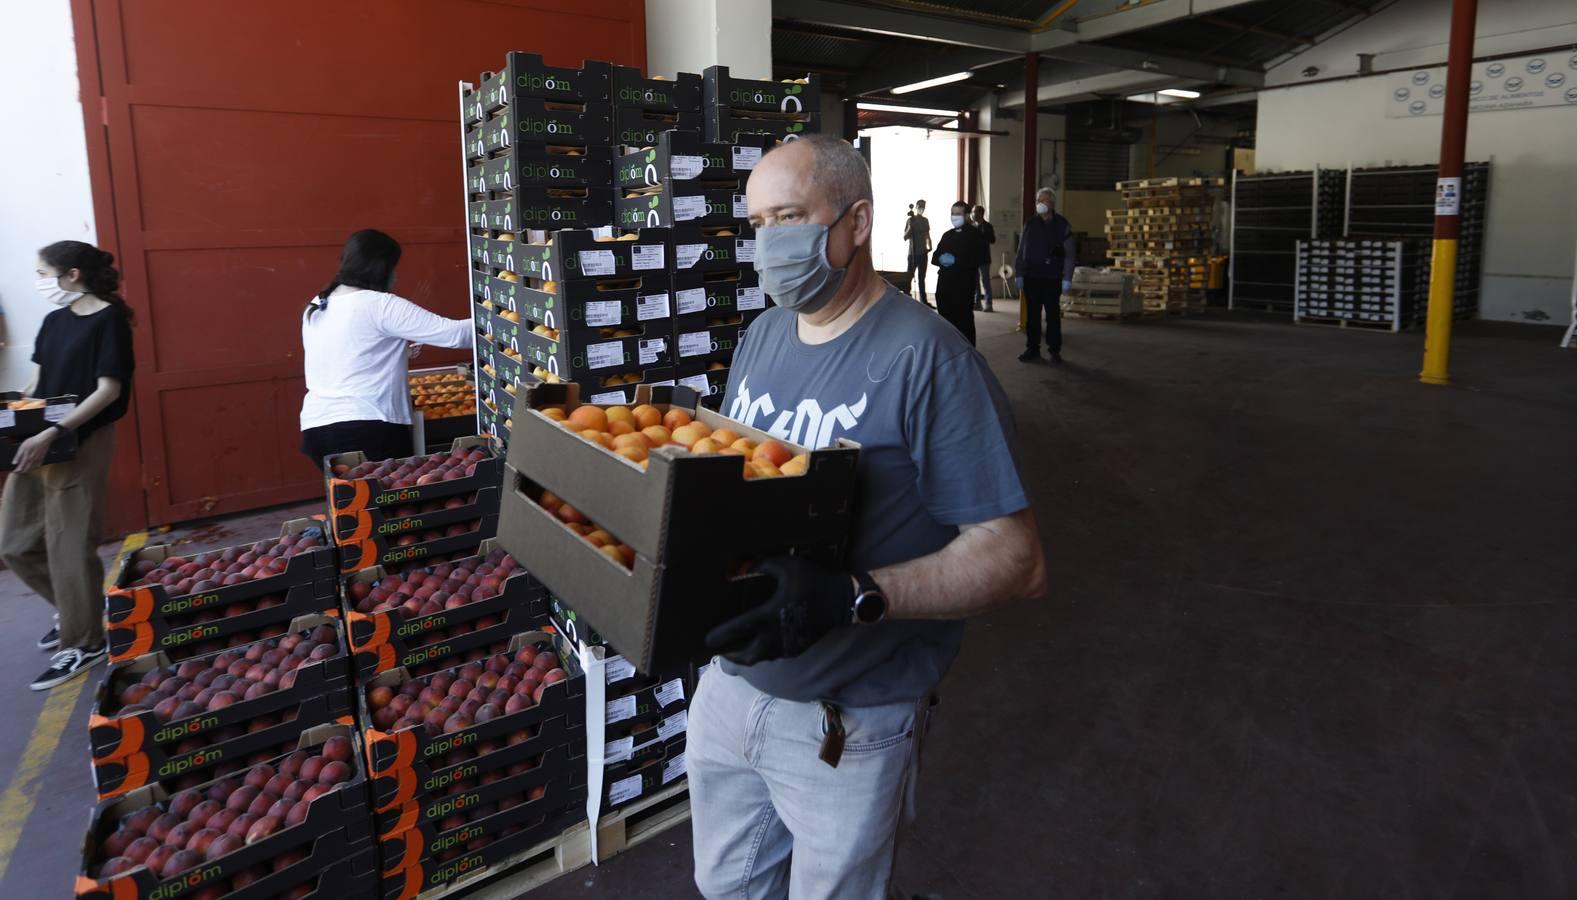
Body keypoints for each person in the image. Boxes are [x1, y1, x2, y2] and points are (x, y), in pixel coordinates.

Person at [695, 134, 1047, 899]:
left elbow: (1015, 558)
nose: (767, 243)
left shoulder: (931, 360)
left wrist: (848, 594)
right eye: (755, 224)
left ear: (857, 222)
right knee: (725, 887)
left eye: (787, 216)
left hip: (843, 724)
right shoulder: (760, 337)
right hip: (728, 689)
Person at [1, 241, 135, 690]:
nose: (39, 282)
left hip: (78, 441)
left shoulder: (109, 320)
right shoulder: (54, 321)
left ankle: (84, 639)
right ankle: (78, 613)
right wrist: (14, 417)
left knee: (68, 544)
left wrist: (56, 432)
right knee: (15, 541)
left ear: (72, 275)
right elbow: (36, 381)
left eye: (43, 273)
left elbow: (108, 390)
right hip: (35, 440)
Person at [300, 230, 473, 466]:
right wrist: (507, 319)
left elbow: (347, 353)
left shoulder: (318, 304)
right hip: (366, 427)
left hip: (317, 428)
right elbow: (456, 335)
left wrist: (397, 352)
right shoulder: (380, 305)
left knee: (351, 500)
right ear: (381, 268)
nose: (396, 276)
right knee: (389, 501)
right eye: (394, 267)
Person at [1015, 188, 1076, 363]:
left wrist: (1067, 278)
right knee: (1032, 316)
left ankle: (1054, 350)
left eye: (1045, 200)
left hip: (1052, 278)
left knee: (1052, 316)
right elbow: (1021, 249)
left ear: (1052, 204)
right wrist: (1019, 272)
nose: (1041, 204)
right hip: (1031, 277)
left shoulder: (1062, 224)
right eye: (1038, 200)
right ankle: (1032, 348)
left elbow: (1070, 254)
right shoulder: (1030, 223)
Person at [931, 201, 992, 346]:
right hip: (944, 287)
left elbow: (981, 258)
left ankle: (968, 353)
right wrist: (941, 259)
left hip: (963, 288)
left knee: (964, 324)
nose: (954, 217)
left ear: (966, 216)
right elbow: (934, 257)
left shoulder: (976, 235)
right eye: (952, 213)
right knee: (945, 324)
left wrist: (956, 261)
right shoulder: (947, 235)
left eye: (957, 214)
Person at [901, 199, 932, 306]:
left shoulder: (925, 220)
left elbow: (927, 235)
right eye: (920, 206)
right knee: (908, 278)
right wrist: (911, 226)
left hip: (923, 253)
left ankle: (924, 301)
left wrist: (930, 245)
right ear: (916, 206)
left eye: (924, 206)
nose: (922, 208)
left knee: (922, 278)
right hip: (912, 253)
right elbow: (905, 237)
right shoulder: (910, 220)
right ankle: (906, 301)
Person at [971, 205, 996, 312]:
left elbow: (992, 240)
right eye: (972, 212)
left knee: (985, 281)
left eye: (974, 212)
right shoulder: (972, 226)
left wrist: (981, 235)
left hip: (984, 259)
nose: (973, 214)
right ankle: (977, 303)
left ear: (980, 213)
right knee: (975, 282)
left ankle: (988, 303)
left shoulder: (987, 226)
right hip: (974, 259)